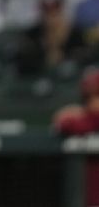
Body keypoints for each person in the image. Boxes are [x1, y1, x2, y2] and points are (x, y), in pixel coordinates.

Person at [53, 70, 99, 206]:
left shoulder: (86, 119)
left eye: (97, 96)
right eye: (88, 97)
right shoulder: (85, 119)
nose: (92, 102)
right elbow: (63, 123)